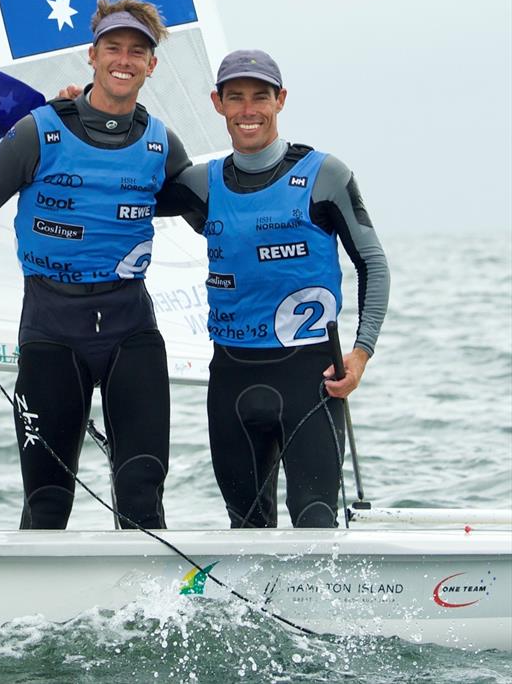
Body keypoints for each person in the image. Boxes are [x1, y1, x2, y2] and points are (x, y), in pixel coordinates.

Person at [0, 0, 192, 530]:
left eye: (137, 51)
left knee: (143, 497)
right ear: (92, 56)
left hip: (132, 332)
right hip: (51, 332)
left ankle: (155, 611)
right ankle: (36, 614)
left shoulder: (161, 145)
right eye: (113, 48)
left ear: (152, 65)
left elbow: (217, 215)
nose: (124, 59)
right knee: (48, 503)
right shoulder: (39, 131)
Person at [161, 50, 390, 528]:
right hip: (231, 379)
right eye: (236, 97)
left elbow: (372, 262)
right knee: (245, 529)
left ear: (280, 100)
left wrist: (361, 353)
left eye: (260, 97)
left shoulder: (326, 175)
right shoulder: (201, 183)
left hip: (310, 378)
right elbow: (123, 186)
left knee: (315, 521)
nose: (249, 109)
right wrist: (88, 111)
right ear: (218, 103)